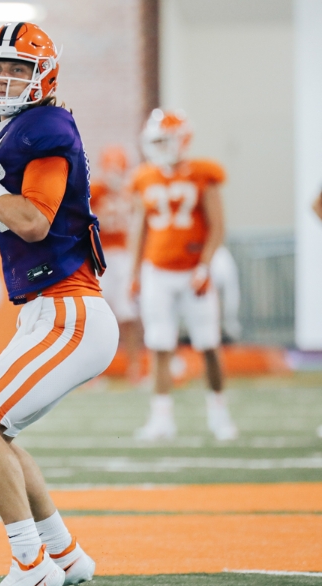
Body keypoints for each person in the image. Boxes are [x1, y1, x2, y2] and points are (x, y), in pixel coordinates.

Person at [0, 21, 118, 586]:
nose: (5, 78)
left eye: (18, 67)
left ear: (44, 75)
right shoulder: (7, 135)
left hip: (71, 311)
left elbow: (34, 223)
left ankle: (29, 562)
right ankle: (64, 555)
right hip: (46, 314)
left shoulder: (44, 127)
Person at [128, 110, 238, 442]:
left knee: (208, 344)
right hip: (157, 271)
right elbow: (139, 229)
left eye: (164, 140)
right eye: (155, 141)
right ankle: (162, 419)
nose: (159, 147)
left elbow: (217, 225)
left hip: (193, 270)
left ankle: (219, 415)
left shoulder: (203, 173)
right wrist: (134, 273)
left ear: (181, 140)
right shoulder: (144, 177)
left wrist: (205, 266)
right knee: (159, 344)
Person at [90, 145, 143, 384]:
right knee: (94, 316)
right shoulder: (95, 192)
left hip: (122, 258)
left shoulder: (131, 191)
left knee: (128, 315)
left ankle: (135, 368)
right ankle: (90, 374)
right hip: (100, 256)